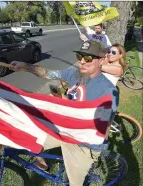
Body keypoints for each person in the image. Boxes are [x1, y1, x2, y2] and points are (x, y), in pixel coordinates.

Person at [10, 40, 119, 186]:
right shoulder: (76, 74)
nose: (82, 62)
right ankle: (41, 163)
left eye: (88, 58)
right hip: (64, 129)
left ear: (101, 61)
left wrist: (69, 107)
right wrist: (25, 66)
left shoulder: (108, 91)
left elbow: (101, 127)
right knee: (30, 138)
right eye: (79, 56)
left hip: (83, 144)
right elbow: (48, 73)